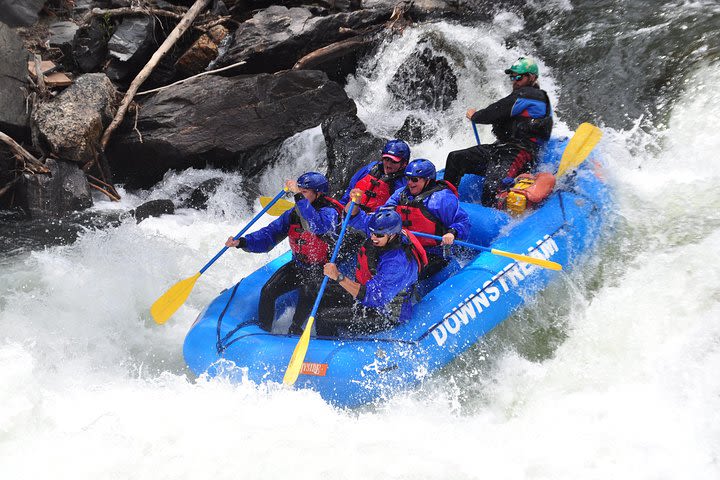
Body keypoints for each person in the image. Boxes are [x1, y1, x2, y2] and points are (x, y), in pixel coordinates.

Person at [225, 172, 343, 334]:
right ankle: (263, 331)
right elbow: (269, 235)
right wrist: (243, 242)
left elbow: (316, 226)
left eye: (304, 192)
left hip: (324, 270)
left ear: (319, 193)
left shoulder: (330, 213)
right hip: (300, 265)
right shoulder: (293, 214)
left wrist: (297, 196)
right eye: (299, 191)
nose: (300, 195)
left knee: (308, 290)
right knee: (268, 290)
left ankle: (296, 328)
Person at [443, 56, 553, 207]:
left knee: (491, 190)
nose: (515, 81)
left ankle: (502, 213)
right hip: (501, 149)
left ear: (532, 77)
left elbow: (497, 111)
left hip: (520, 152)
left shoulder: (532, 96)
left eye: (519, 77)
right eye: (513, 77)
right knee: (455, 158)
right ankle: (443, 202)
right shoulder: (524, 95)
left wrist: (475, 116)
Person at [319, 207, 427, 336]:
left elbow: (373, 297)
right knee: (321, 292)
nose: (373, 238)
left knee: (324, 318)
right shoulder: (381, 232)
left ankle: (331, 350)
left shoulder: (396, 263)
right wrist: (354, 210)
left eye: (379, 235)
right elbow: (360, 220)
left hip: (386, 312)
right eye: (372, 233)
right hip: (369, 293)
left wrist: (338, 277)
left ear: (393, 235)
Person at [382, 158, 470, 279]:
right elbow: (384, 212)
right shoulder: (400, 194)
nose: (409, 183)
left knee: (406, 272)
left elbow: (462, 221)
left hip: (433, 252)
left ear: (427, 180)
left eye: (414, 180)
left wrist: (452, 233)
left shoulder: (441, 199)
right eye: (407, 179)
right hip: (406, 246)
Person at [339, 139, 411, 212]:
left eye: (394, 161)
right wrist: (340, 210)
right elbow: (350, 188)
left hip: (377, 220)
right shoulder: (370, 168)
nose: (388, 164)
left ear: (404, 164)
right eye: (386, 159)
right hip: (352, 215)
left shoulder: (404, 184)